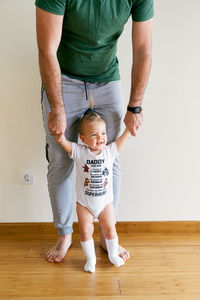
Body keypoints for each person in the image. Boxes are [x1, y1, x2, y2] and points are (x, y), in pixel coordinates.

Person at [35, 0, 154, 263]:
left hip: (107, 77)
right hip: (64, 77)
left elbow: (143, 50)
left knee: (110, 158)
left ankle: (107, 233)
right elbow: (46, 49)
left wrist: (134, 107)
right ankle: (65, 234)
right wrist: (57, 107)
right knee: (60, 158)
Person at [56, 109, 132, 272]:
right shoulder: (79, 152)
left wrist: (130, 128)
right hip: (84, 204)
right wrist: (59, 135)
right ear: (83, 138)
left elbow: (124, 138)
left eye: (103, 133)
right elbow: (65, 143)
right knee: (85, 232)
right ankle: (91, 260)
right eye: (94, 135)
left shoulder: (109, 151)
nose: (100, 138)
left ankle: (113, 255)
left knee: (110, 229)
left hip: (105, 203)